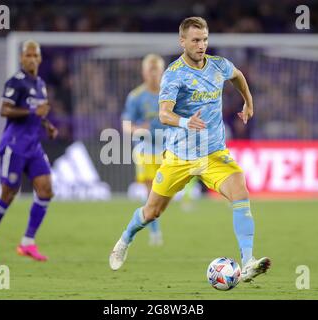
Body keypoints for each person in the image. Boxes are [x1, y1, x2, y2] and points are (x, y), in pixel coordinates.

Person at [109, 17, 271, 283]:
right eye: (196, 40)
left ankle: (248, 262)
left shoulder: (218, 65)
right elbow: (164, 114)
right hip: (179, 157)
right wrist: (186, 121)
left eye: (205, 39)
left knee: (240, 189)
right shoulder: (174, 74)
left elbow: (238, 76)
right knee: (152, 212)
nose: (201, 45)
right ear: (182, 41)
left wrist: (248, 102)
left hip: (213, 154)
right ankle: (125, 239)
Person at [0, 40, 58, 262]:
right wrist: (34, 110)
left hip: (34, 146)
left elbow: (38, 114)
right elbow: (4, 109)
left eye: (35, 55)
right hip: (14, 145)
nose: (32, 59)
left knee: (46, 189)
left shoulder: (40, 83)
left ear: (40, 59)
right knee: (8, 193)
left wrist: (47, 125)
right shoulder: (15, 82)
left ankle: (27, 242)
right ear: (22, 58)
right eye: (28, 55)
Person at [121, 54, 166, 246]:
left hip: (167, 147)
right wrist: (139, 129)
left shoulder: (170, 94)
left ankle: (152, 223)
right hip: (145, 148)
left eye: (156, 70)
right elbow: (126, 125)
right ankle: (155, 231)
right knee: (151, 191)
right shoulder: (136, 96)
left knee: (162, 193)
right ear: (144, 72)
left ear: (162, 72)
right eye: (150, 70)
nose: (154, 74)